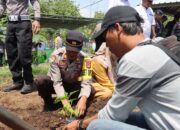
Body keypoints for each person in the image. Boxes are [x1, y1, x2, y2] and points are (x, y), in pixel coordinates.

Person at [63, 6, 180, 130]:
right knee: (129, 116)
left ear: (117, 29)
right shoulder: (152, 48)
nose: (106, 45)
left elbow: (111, 115)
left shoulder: (136, 59)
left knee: (96, 126)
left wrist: (80, 124)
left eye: (105, 38)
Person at [35, 30, 93, 117]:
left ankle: (76, 104)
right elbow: (57, 83)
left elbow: (86, 83)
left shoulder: (87, 60)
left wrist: (83, 99)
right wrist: (65, 102)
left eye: (75, 51)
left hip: (74, 85)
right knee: (41, 80)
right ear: (65, 46)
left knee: (91, 91)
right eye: (70, 51)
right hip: (57, 85)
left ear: (80, 49)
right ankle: (49, 103)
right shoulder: (56, 56)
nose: (72, 54)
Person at [1, 0, 41, 94]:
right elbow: (2, 4)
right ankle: (17, 81)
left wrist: (37, 19)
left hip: (23, 23)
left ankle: (29, 82)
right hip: (10, 24)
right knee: (11, 54)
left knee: (24, 55)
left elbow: (35, 2)